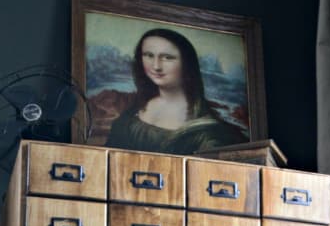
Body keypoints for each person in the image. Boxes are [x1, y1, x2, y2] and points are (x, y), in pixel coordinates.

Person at [105, 27, 247, 155]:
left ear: (186, 63)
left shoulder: (209, 132)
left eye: (167, 57)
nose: (156, 66)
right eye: (148, 55)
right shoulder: (136, 109)